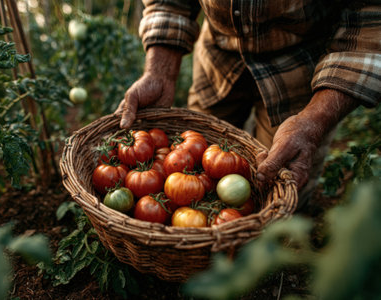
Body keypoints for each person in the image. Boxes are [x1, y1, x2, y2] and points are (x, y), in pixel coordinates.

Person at [116, 0, 380, 207]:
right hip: (218, 58)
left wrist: (313, 122)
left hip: (300, 67)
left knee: (277, 192)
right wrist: (160, 71)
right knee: (192, 155)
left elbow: (372, 20)